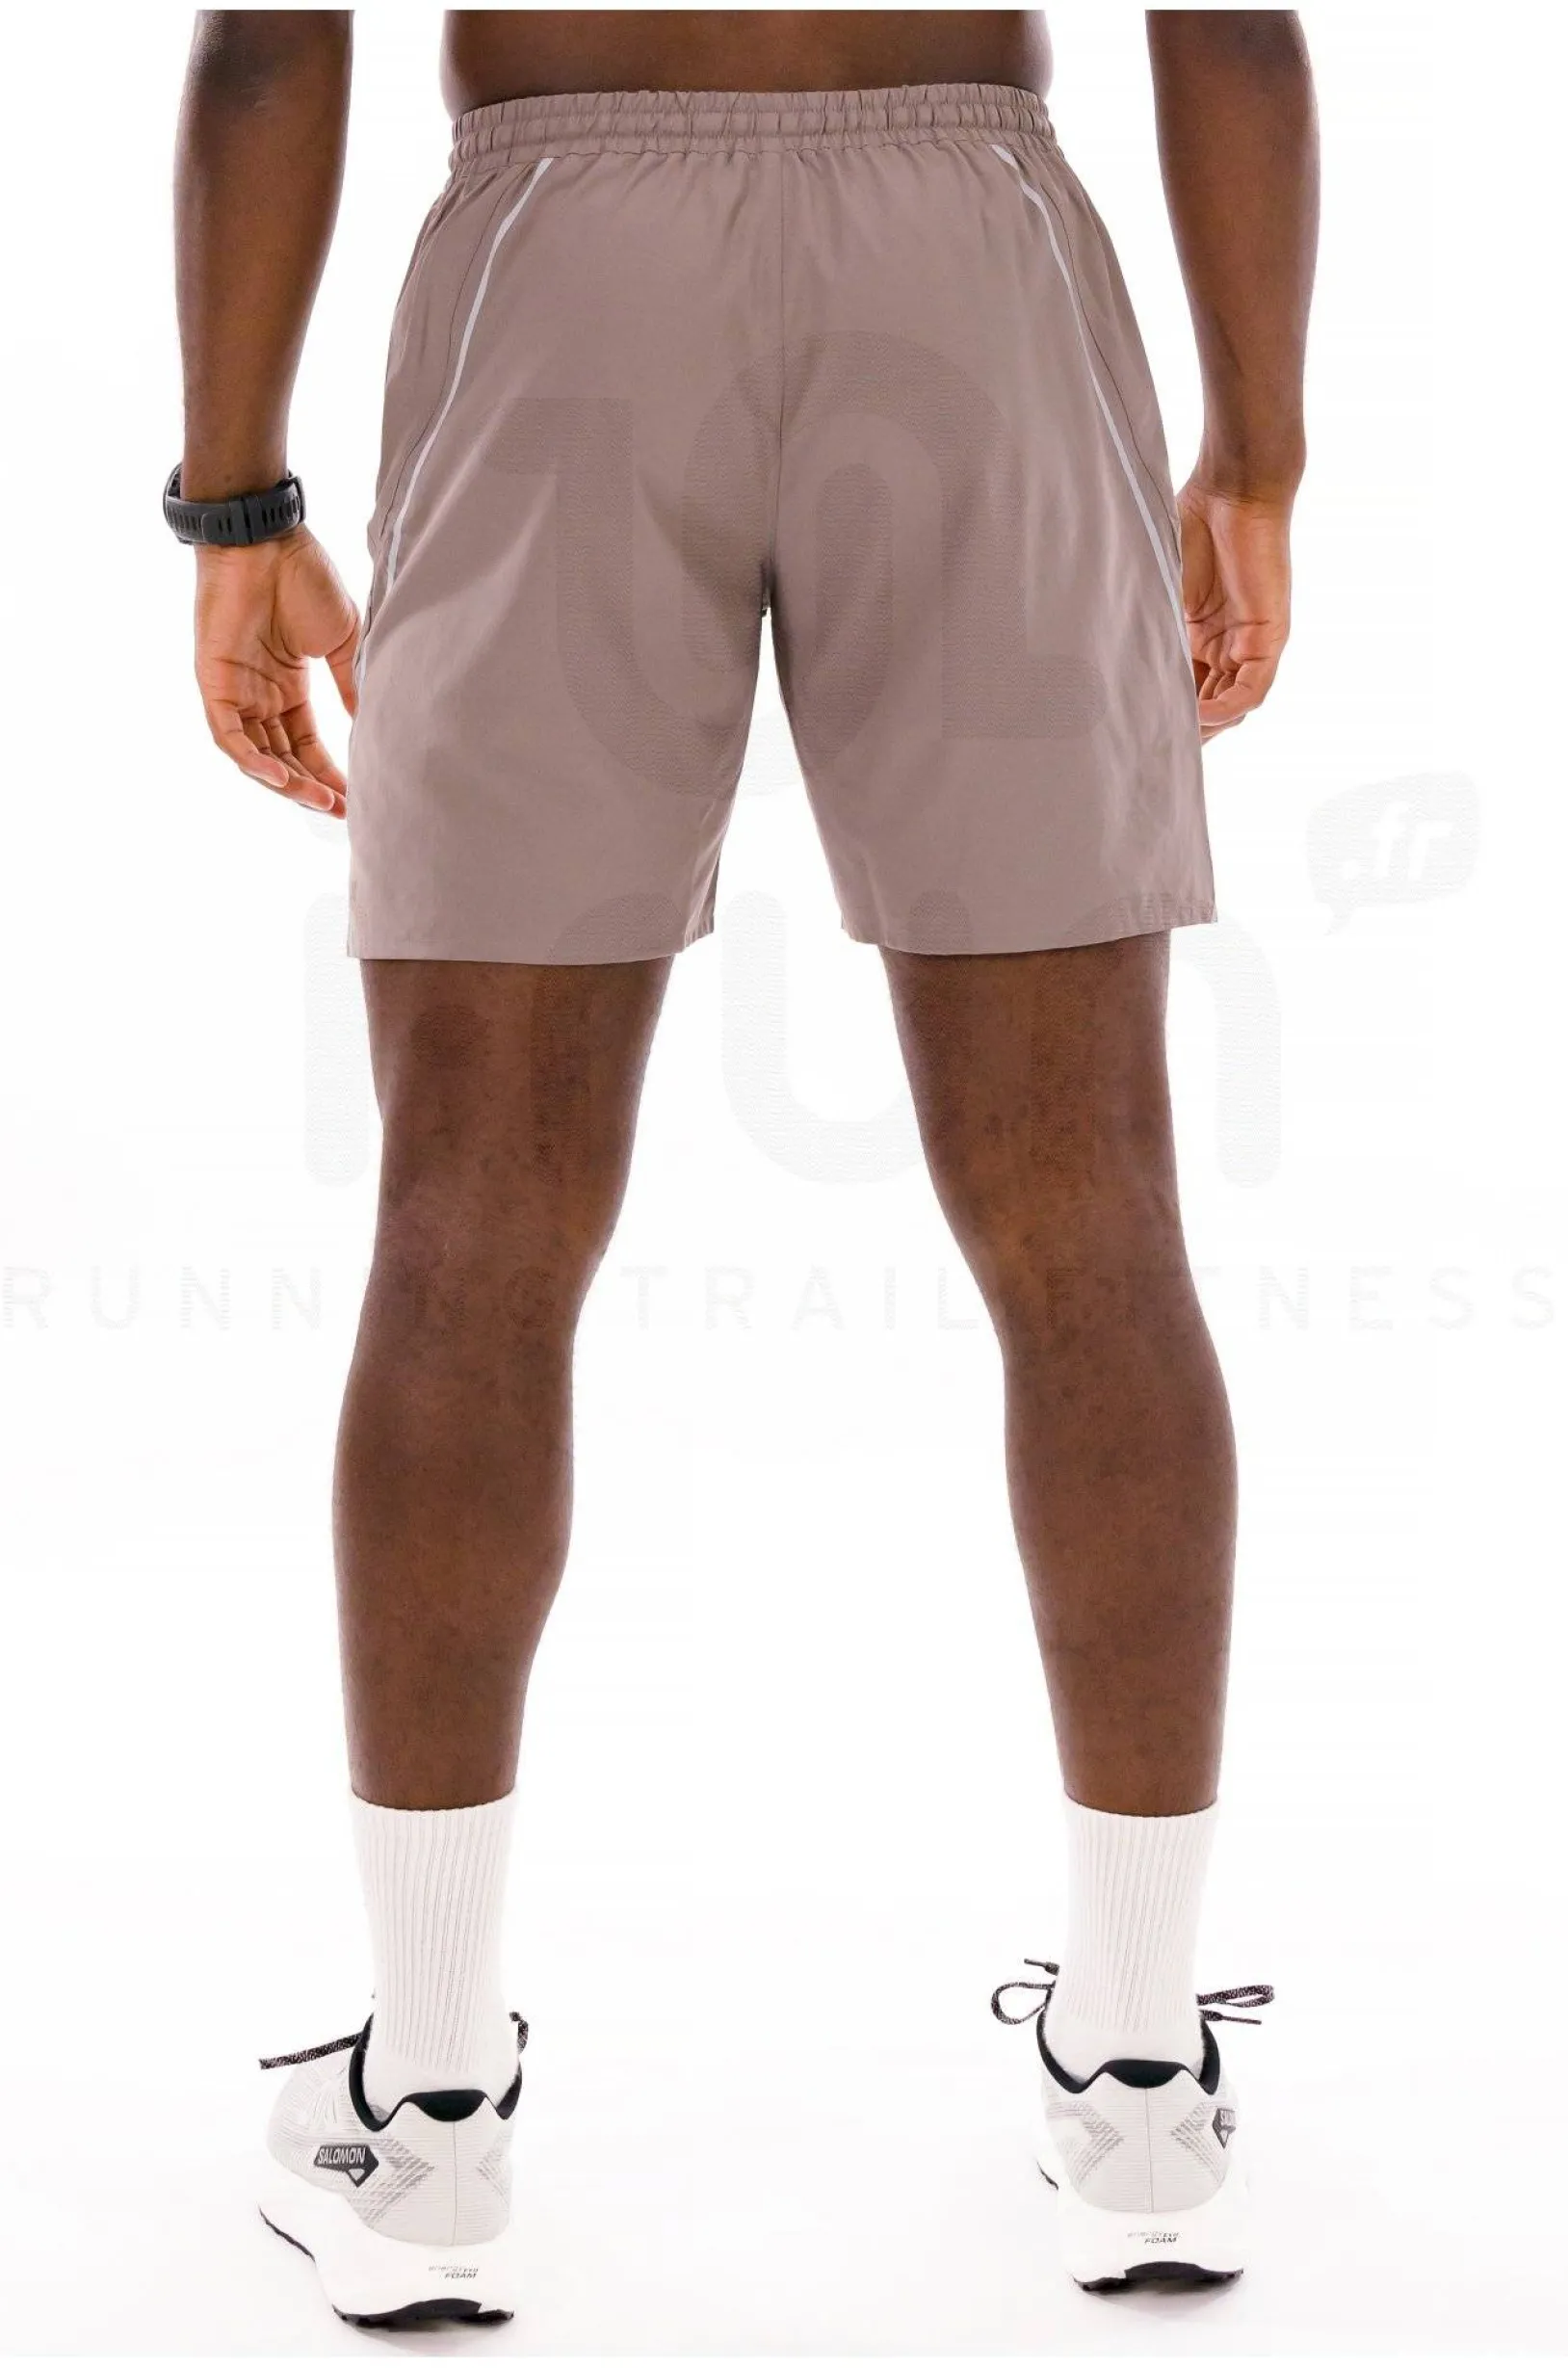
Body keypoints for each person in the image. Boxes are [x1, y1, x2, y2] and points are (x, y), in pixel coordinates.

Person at [171, 7, 1317, 2328]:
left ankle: (432, 2104)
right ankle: (1135, 2080)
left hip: (561, 255)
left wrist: (234, 502)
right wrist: (1256, 451)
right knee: (1091, 1212)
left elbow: (271, 37)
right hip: (970, 256)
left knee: (470, 1219)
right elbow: (1230, 19)